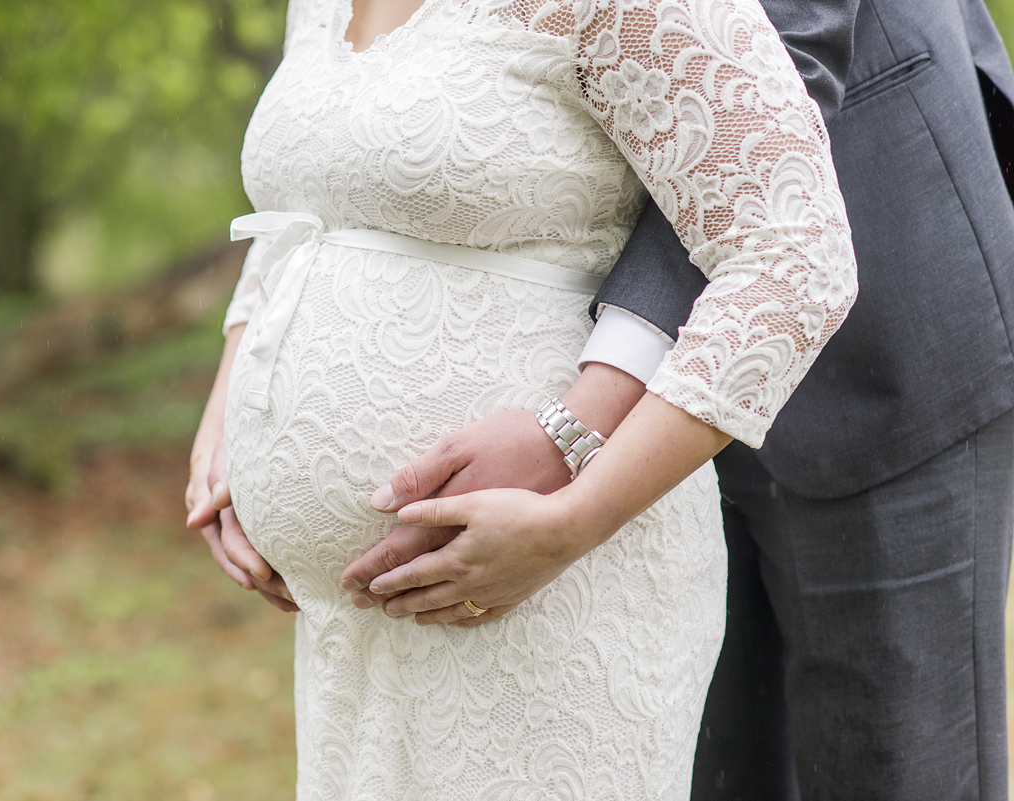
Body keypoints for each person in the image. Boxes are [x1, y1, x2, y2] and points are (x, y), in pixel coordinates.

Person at [320, 0, 1013, 798]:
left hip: (884, 321)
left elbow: (786, 49)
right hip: (645, 385)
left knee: (894, 767)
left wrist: (582, 419)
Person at [185, 0, 858, 796]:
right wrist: (224, 414)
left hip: (551, 594)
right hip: (349, 636)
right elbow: (301, 213)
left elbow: (793, 251)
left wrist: (575, 519)